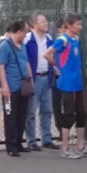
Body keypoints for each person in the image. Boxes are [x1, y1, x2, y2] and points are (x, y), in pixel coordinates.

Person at [45, 13, 87, 159]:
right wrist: (59, 65)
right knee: (68, 115)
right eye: (77, 24)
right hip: (67, 83)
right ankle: (64, 148)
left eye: (80, 24)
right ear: (68, 25)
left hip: (78, 83)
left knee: (81, 114)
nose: (80, 27)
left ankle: (80, 146)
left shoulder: (76, 39)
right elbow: (47, 54)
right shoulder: (62, 40)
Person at [0, 20, 32, 157]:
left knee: (21, 116)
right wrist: (4, 86)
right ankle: (11, 146)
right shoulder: (5, 46)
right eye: (25, 33)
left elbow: (26, 63)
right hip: (11, 88)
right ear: (19, 32)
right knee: (10, 116)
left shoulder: (22, 45)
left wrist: (30, 80)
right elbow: (0, 67)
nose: (26, 35)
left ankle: (17, 143)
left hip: (22, 87)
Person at [22, 13, 56, 151]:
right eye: (43, 21)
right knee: (31, 111)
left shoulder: (49, 38)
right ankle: (31, 141)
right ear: (34, 24)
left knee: (47, 110)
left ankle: (46, 139)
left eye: (46, 21)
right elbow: (24, 58)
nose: (46, 23)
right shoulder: (28, 39)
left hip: (47, 77)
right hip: (34, 79)